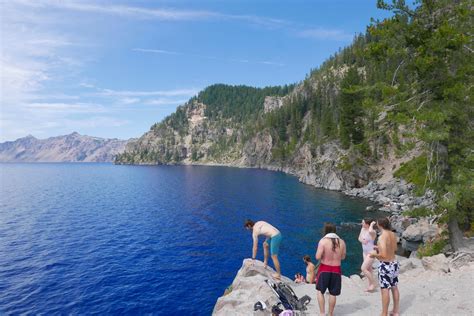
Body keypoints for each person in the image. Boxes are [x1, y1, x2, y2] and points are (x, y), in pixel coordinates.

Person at [369, 217, 400, 316]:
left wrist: (373, 254)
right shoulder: (392, 234)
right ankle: (395, 311)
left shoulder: (382, 237)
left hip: (385, 265)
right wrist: (378, 247)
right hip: (394, 263)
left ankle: (384, 313)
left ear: (380, 225)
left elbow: (383, 255)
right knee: (394, 287)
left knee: (385, 289)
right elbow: (394, 248)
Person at [315, 223, 346, 316]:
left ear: (326, 231)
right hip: (336, 270)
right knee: (333, 293)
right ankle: (331, 313)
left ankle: (322, 313)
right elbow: (343, 257)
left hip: (324, 268)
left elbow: (317, 257)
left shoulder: (323, 241)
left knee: (320, 291)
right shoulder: (342, 242)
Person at [358, 218, 377, 292]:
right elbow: (359, 238)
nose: (361, 223)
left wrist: (372, 224)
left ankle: (373, 284)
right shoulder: (362, 229)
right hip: (364, 252)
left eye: (363, 223)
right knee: (369, 269)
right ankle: (370, 285)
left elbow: (370, 230)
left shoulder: (373, 232)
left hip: (371, 252)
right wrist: (362, 240)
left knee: (363, 268)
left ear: (367, 224)